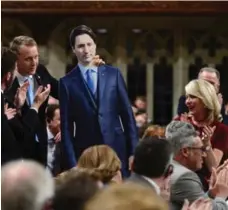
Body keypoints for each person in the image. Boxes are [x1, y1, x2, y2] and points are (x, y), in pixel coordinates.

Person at [59, 25, 138, 176]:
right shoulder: (66, 83)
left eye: (89, 44)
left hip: (116, 149)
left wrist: (133, 152)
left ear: (95, 46)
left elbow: (127, 116)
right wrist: (72, 163)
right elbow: (66, 128)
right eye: (81, 46)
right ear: (74, 49)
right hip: (86, 154)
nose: (86, 50)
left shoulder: (113, 74)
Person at [6, 36, 59, 166]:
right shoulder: (6, 84)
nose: (34, 63)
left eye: (36, 57)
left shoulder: (41, 71)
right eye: (28, 59)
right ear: (16, 60)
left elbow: (65, 93)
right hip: (18, 149)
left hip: (41, 145)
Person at [175, 79, 228, 191]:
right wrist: (184, 135)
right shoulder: (180, 122)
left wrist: (206, 144)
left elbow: (213, 168)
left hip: (206, 187)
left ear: (205, 100)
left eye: (192, 97)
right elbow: (172, 159)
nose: (187, 101)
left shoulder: (220, 129)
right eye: (187, 97)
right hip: (180, 180)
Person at [165, 121, 228, 210]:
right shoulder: (184, 177)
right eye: (201, 149)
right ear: (185, 151)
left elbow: (199, 201)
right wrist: (222, 194)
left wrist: (212, 193)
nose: (204, 154)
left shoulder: (171, 167)